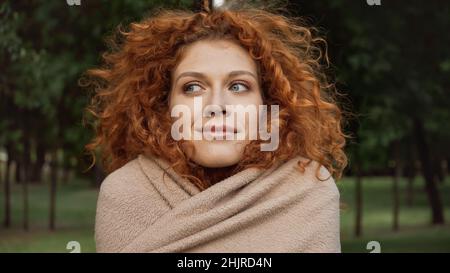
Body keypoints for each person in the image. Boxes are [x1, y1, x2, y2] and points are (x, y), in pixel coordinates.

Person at [84, 4, 348, 253]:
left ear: (268, 103)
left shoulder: (308, 190)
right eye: (193, 87)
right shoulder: (126, 193)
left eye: (238, 86)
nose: (217, 106)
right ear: (162, 105)